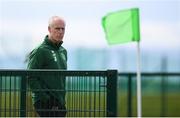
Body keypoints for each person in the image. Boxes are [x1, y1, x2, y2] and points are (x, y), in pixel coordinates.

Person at [27, 16, 67, 117]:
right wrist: (46, 98)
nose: (61, 32)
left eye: (63, 29)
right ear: (49, 29)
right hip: (44, 102)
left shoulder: (63, 51)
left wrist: (61, 99)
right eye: (57, 28)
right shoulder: (40, 51)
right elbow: (30, 76)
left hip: (60, 101)